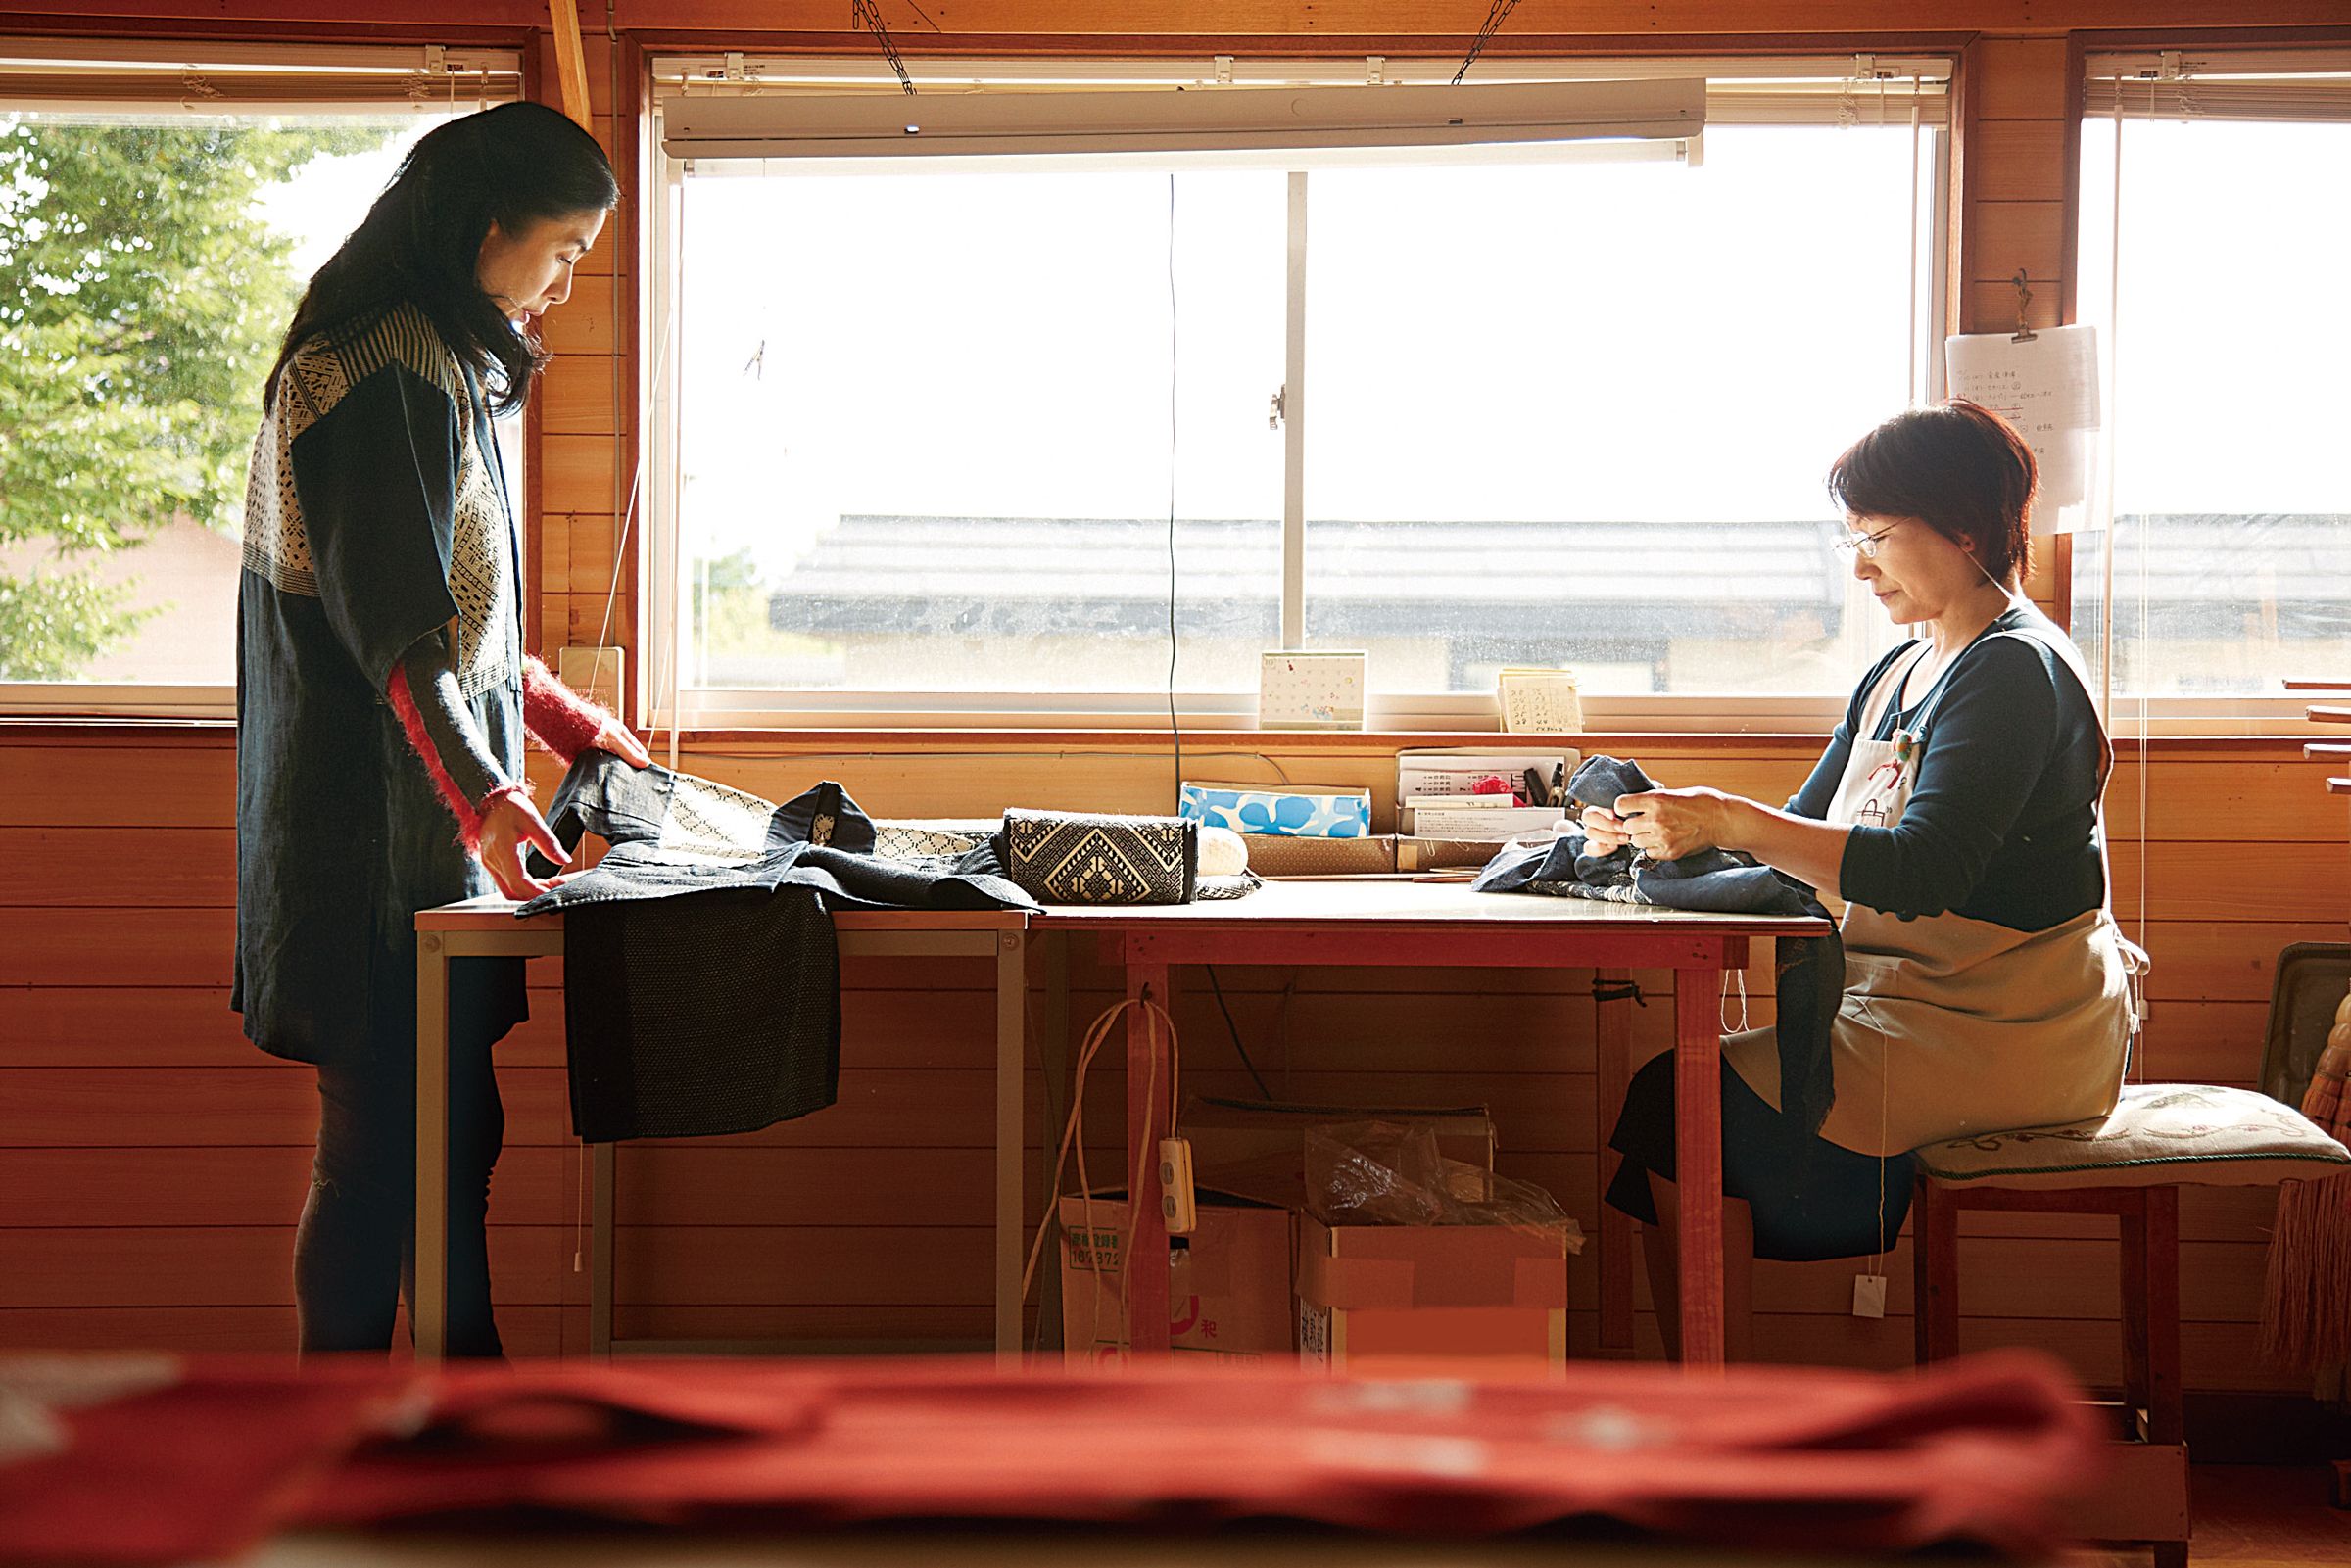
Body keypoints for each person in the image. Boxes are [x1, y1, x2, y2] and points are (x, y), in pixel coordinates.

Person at [1592, 400, 2141, 1360]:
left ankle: (1709, 1416)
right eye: (1852, 538)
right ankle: (1706, 1408)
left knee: (1679, 1103)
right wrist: (1655, 838)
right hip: (1916, 1007)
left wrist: (1728, 817)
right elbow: (1799, 848)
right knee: (1668, 1103)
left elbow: (1925, 869)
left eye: (1878, 536)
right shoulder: (1898, 670)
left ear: (1963, 527)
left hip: (2009, 1029)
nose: (1859, 565)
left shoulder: (2014, 668)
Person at [235, 101, 650, 1356]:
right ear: (488, 230)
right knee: (379, 1156)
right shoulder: (378, 377)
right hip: (368, 841)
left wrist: (574, 726)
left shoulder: (436, 363)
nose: (568, 284)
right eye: (565, 249)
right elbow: (398, 631)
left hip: (428, 835)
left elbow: (465, 622)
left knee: (453, 1135)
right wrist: (488, 793)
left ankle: (457, 1399)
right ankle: (357, 1432)